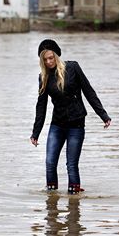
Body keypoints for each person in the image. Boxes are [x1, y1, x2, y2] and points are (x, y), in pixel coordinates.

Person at [30, 39, 111, 194]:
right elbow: (41, 107)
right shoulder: (43, 77)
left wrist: (103, 115)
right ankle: (51, 199)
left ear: (56, 56)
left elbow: (89, 92)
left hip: (76, 124)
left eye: (51, 58)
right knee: (50, 162)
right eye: (45, 60)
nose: (49, 62)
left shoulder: (72, 68)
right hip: (57, 125)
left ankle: (74, 200)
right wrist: (35, 133)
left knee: (71, 165)